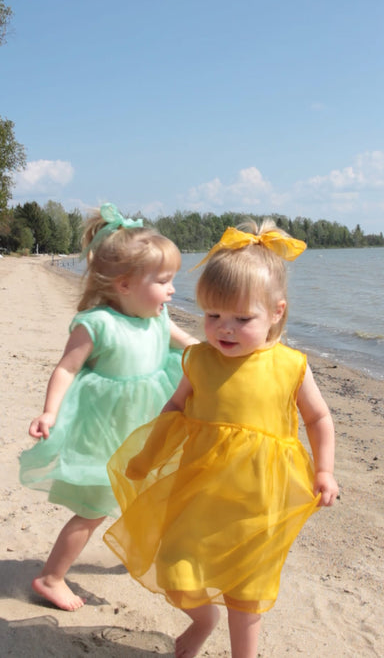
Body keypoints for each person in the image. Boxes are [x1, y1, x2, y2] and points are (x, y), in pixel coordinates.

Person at [103, 219, 339, 658]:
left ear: (276, 313)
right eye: (213, 316)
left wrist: (324, 470)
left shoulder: (291, 365)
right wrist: (146, 457)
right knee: (177, 571)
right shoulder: (198, 361)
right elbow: (174, 412)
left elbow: (319, 417)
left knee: (247, 594)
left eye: (241, 319)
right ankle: (203, 619)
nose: (224, 329)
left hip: (259, 502)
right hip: (199, 493)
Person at [19, 203, 198, 612]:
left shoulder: (158, 316)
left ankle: (147, 553)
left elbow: (192, 347)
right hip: (104, 432)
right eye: (164, 281)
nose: (172, 290)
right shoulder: (96, 323)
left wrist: (232, 354)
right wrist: (49, 412)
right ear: (124, 284)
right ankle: (51, 576)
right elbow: (66, 369)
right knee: (93, 509)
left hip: (148, 427)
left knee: (156, 493)